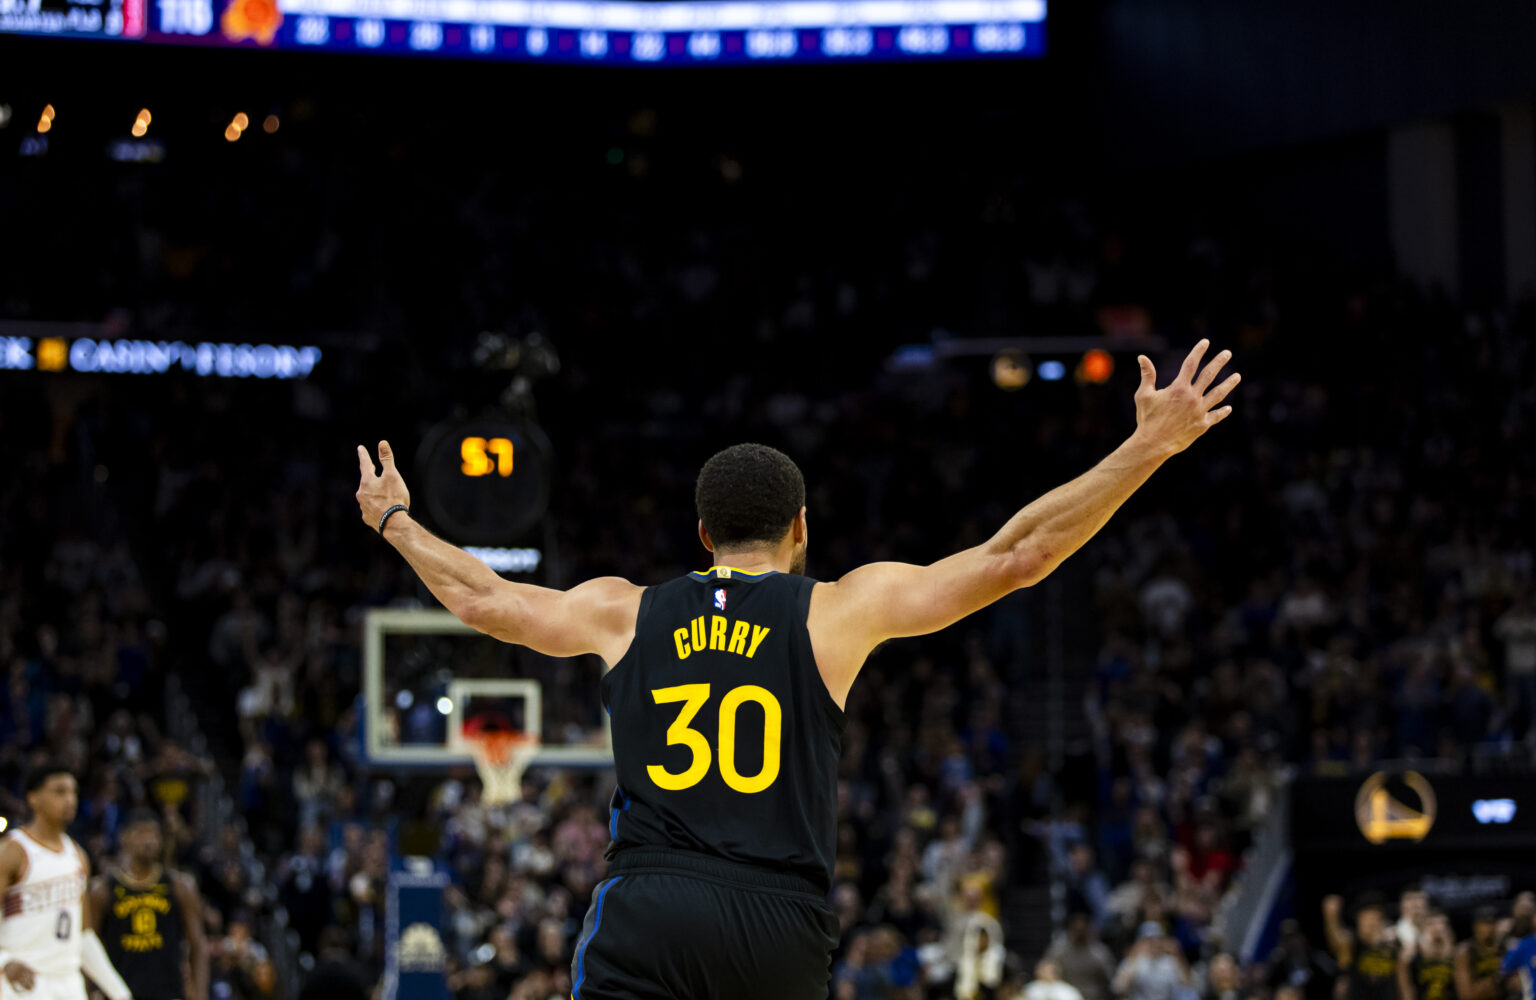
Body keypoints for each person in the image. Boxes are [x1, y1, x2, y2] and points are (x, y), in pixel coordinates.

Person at [356, 341, 1242, 1000]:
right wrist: (1148, 447)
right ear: (802, 528)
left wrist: (397, 520)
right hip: (777, 923)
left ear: (701, 535)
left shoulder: (622, 609)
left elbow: (485, 600)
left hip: (650, 905)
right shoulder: (838, 610)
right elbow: (1021, 555)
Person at [0, 763, 134, 1000]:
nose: (70, 799)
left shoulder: (78, 855)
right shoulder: (13, 850)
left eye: (73, 792)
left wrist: (119, 992)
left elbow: (83, 936)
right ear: (34, 798)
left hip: (68, 982)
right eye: (59, 791)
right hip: (22, 982)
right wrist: (5, 961)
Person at [90, 808, 209, 1000]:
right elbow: (89, 947)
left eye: (154, 834)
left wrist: (201, 994)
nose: (149, 840)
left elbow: (197, 943)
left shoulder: (180, 886)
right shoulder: (102, 890)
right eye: (142, 833)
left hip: (168, 993)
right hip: (119, 993)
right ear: (124, 838)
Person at [1324, 894, 1399, 1000]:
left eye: (1376, 916)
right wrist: (1331, 917)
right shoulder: (1352, 943)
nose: (1372, 921)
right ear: (1358, 919)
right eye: (1367, 916)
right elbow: (1337, 941)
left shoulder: (1393, 943)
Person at [1044, 912, 1118, 1000]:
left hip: (1091, 996)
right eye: (1077, 930)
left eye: (1083, 930)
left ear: (1089, 930)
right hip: (1065, 994)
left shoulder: (1099, 952)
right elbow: (1045, 968)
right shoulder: (1059, 949)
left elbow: (1112, 979)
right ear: (1070, 930)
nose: (1079, 933)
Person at [1397, 913, 1454, 1000]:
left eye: (1442, 924)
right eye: (1431, 924)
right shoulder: (1412, 960)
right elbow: (1407, 990)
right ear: (1423, 931)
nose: (1437, 928)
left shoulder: (1457, 957)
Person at [1453, 907, 1504, 1000]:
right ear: (1475, 927)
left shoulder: (1505, 947)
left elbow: (1516, 984)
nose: (1490, 928)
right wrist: (1497, 982)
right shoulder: (1465, 951)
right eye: (1485, 924)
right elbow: (1466, 994)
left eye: (1492, 923)